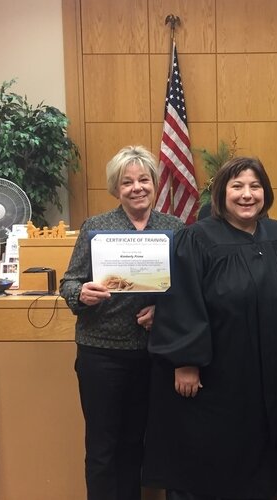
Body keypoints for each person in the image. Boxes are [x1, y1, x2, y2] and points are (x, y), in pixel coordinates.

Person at [142, 157, 277, 500]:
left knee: (264, 453)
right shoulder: (197, 239)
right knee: (212, 456)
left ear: (266, 192)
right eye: (237, 186)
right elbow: (181, 299)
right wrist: (185, 361)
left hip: (272, 373)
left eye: (255, 186)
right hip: (218, 374)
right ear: (221, 193)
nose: (247, 195)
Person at [59, 145, 185, 500]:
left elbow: (190, 290)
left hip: (153, 353)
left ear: (155, 183)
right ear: (116, 188)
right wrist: (80, 292)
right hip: (101, 352)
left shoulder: (174, 228)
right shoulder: (95, 227)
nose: (137, 188)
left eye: (144, 179)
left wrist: (166, 311)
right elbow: (68, 281)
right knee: (102, 446)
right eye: (127, 182)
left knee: (136, 443)